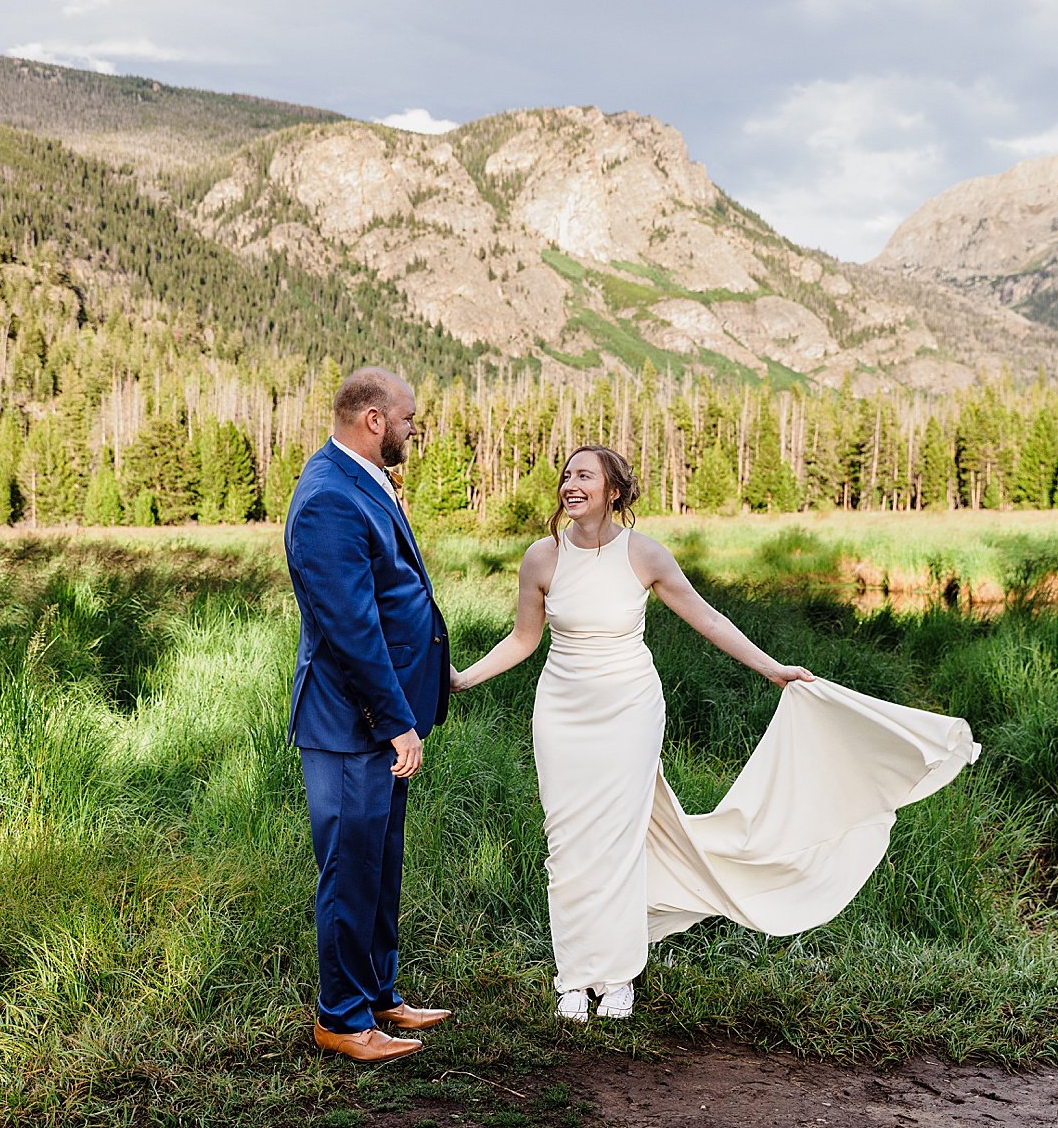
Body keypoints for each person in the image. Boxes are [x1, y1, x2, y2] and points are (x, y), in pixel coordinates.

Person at [452, 445, 979, 1022]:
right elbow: (524, 638)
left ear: (613, 491)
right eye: (567, 476)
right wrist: (463, 678)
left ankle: (619, 975)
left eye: (584, 476)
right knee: (567, 842)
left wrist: (772, 668)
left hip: (629, 709)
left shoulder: (644, 554)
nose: (570, 485)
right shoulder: (541, 559)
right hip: (561, 712)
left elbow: (709, 618)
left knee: (621, 841)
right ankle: (576, 978)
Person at [284, 367, 453, 1062]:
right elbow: (351, 626)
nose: (416, 430)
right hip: (352, 723)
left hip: (381, 717)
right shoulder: (327, 495)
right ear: (375, 420)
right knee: (350, 869)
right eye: (410, 419)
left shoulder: (359, 480)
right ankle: (341, 1018)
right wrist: (393, 718)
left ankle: (379, 995)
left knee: (380, 865)